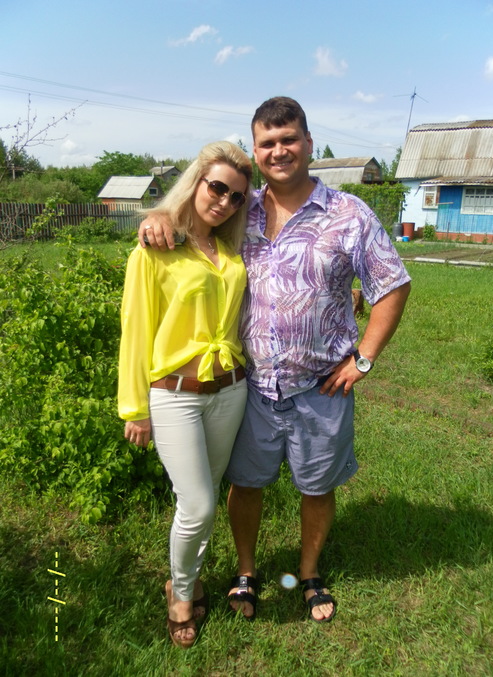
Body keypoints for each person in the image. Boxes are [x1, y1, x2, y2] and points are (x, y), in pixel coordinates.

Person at [138, 97, 411, 624]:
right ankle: (246, 572)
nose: (279, 151)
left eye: (289, 139)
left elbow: (393, 284)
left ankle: (308, 573)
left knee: (317, 487)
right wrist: (157, 215)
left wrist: (364, 359)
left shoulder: (349, 214)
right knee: (246, 484)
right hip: (250, 386)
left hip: (322, 386)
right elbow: (193, 226)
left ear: (308, 143)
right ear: (255, 150)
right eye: (267, 143)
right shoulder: (241, 208)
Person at [119, 140, 252, 648]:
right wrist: (134, 408)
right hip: (174, 394)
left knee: (206, 498)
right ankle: (179, 593)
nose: (224, 201)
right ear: (196, 182)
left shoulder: (230, 251)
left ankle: (191, 578)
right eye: (217, 187)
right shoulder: (156, 249)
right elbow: (136, 331)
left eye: (236, 197)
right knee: (197, 505)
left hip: (230, 390)